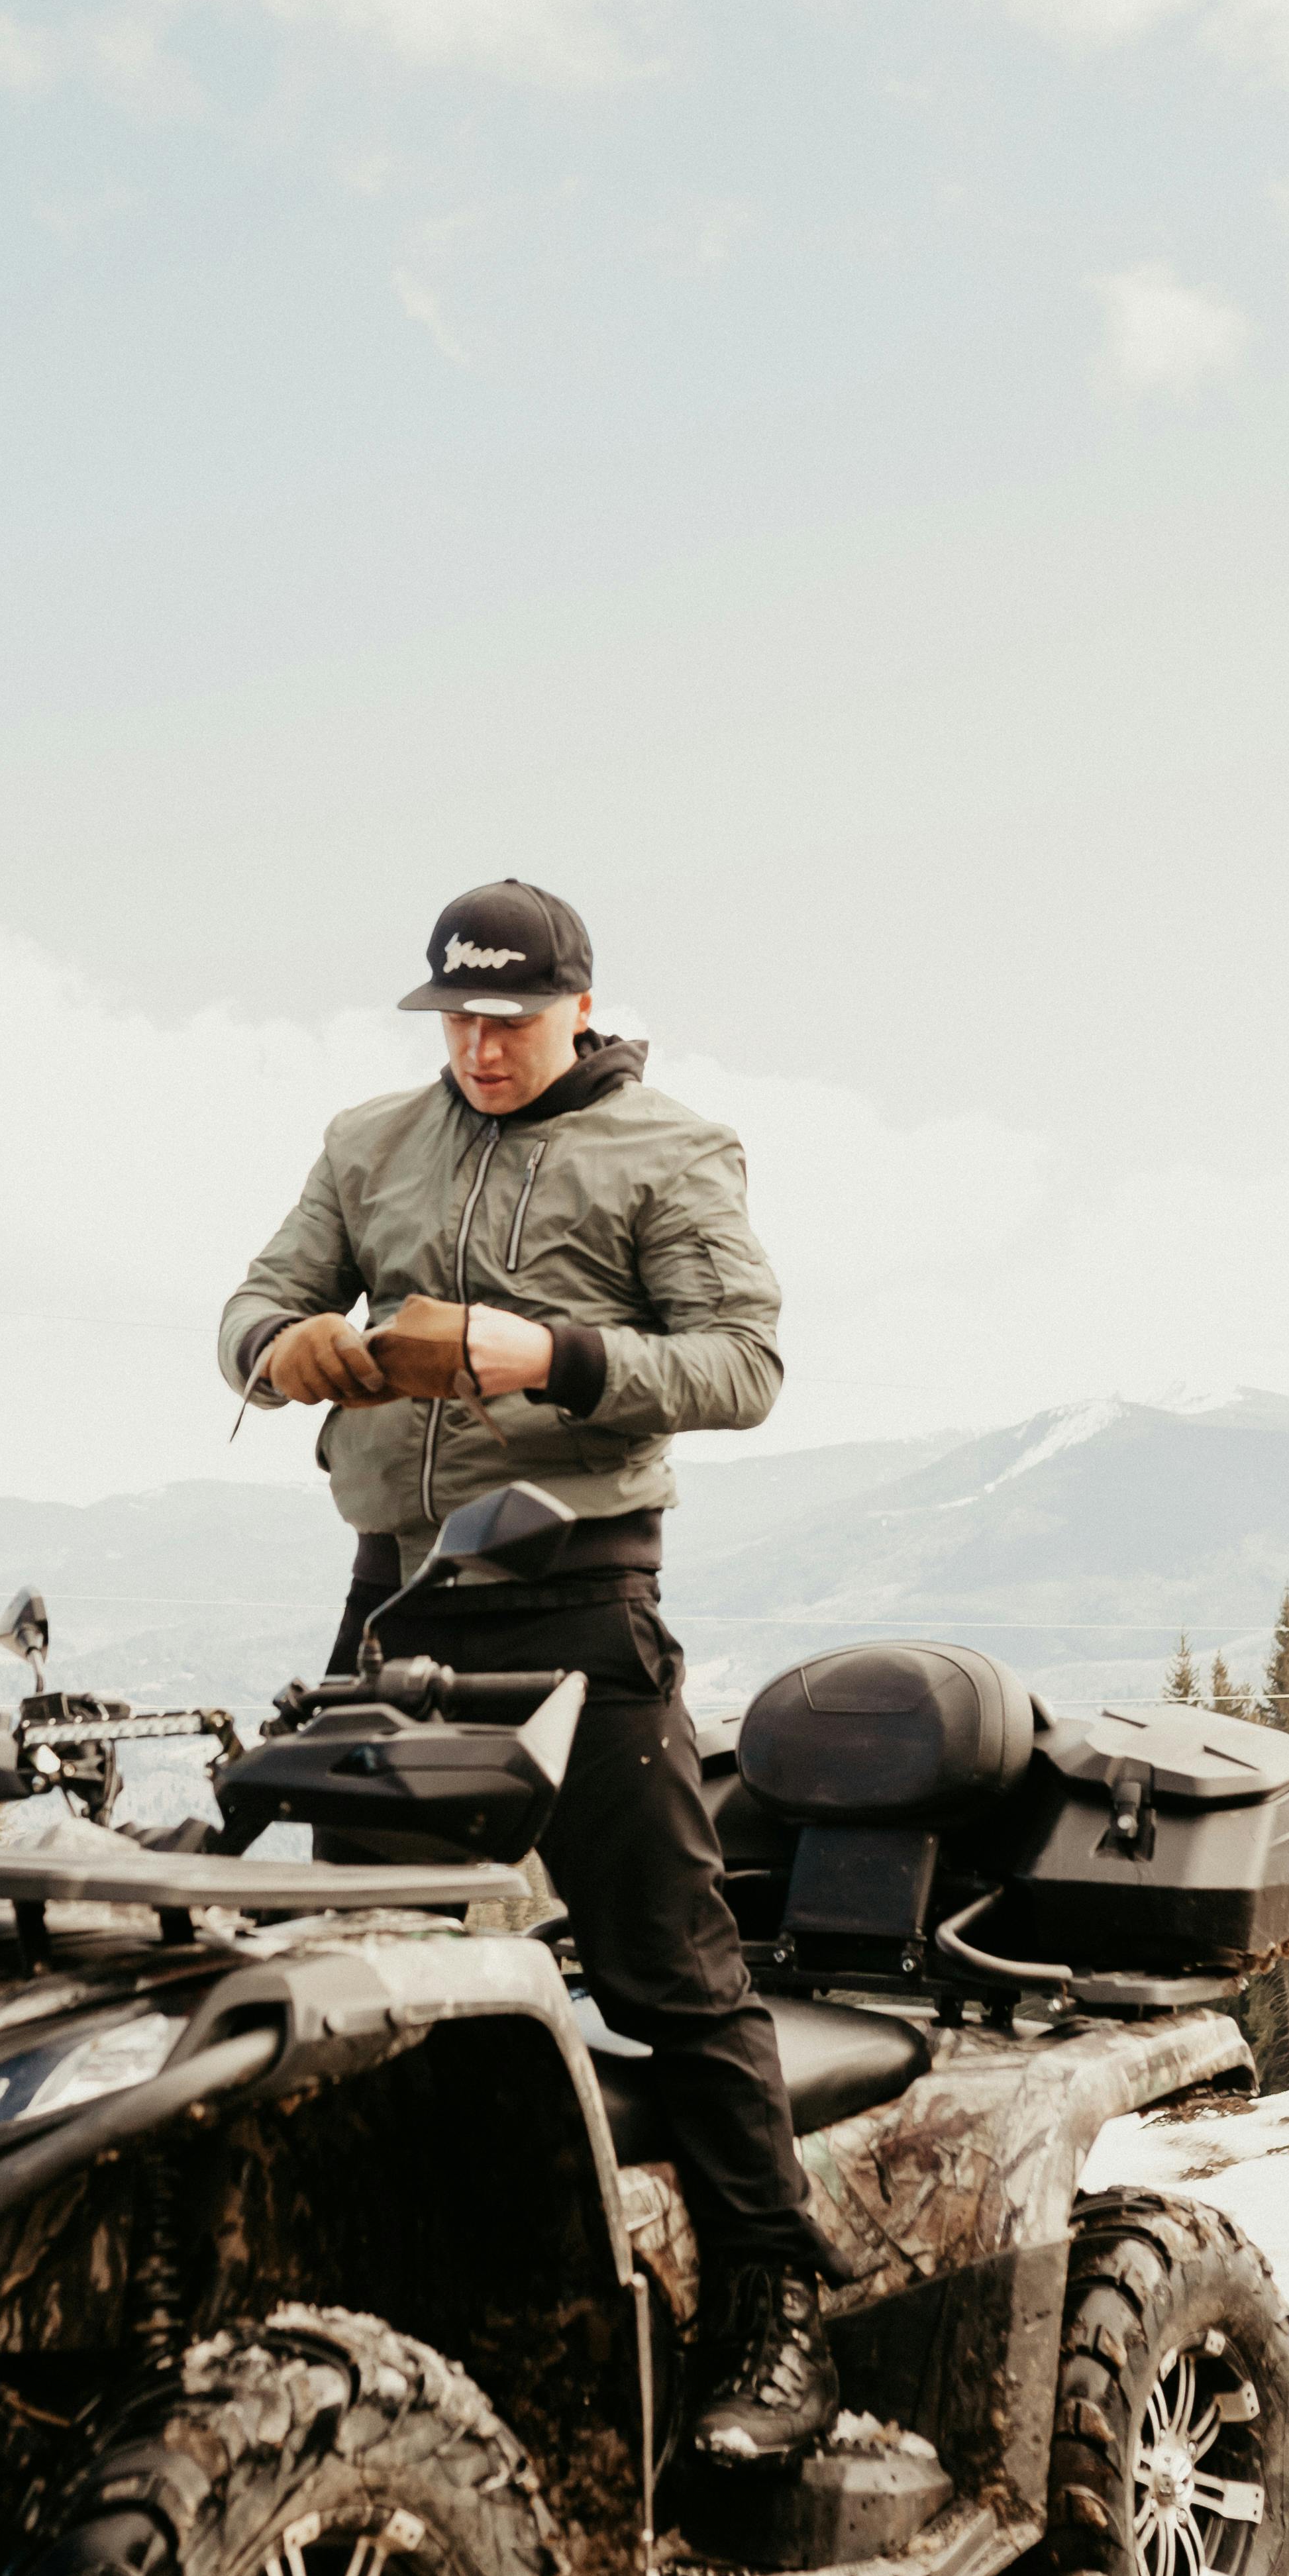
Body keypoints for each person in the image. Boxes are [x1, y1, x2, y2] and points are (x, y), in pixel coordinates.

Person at [219, 877, 838, 2462]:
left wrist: (547, 1356)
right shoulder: (369, 1143)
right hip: (395, 1607)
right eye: (457, 1020)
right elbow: (255, 1303)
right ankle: (393, 2311)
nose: (480, 1049)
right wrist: (278, 1351)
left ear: (580, 1007)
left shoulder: (670, 1150)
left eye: (509, 1020)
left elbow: (745, 1364)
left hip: (579, 1600)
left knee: (670, 1967)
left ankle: (776, 2309)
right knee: (362, 1979)